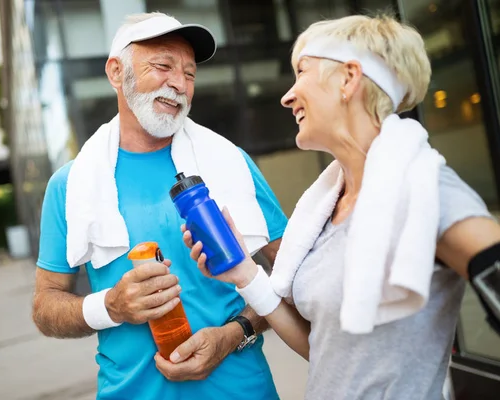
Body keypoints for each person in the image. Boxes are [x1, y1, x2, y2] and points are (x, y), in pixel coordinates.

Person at [185, 13, 500, 400]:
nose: (287, 95)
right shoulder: (326, 206)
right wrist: (245, 273)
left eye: (302, 72)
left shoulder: (422, 188)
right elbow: (325, 354)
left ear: (349, 79)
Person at [32, 12, 287, 400]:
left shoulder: (230, 162)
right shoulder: (71, 185)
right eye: (163, 66)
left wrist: (235, 333)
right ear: (116, 72)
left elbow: (290, 275)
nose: (179, 84)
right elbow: (45, 307)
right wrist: (112, 306)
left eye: (189, 74)